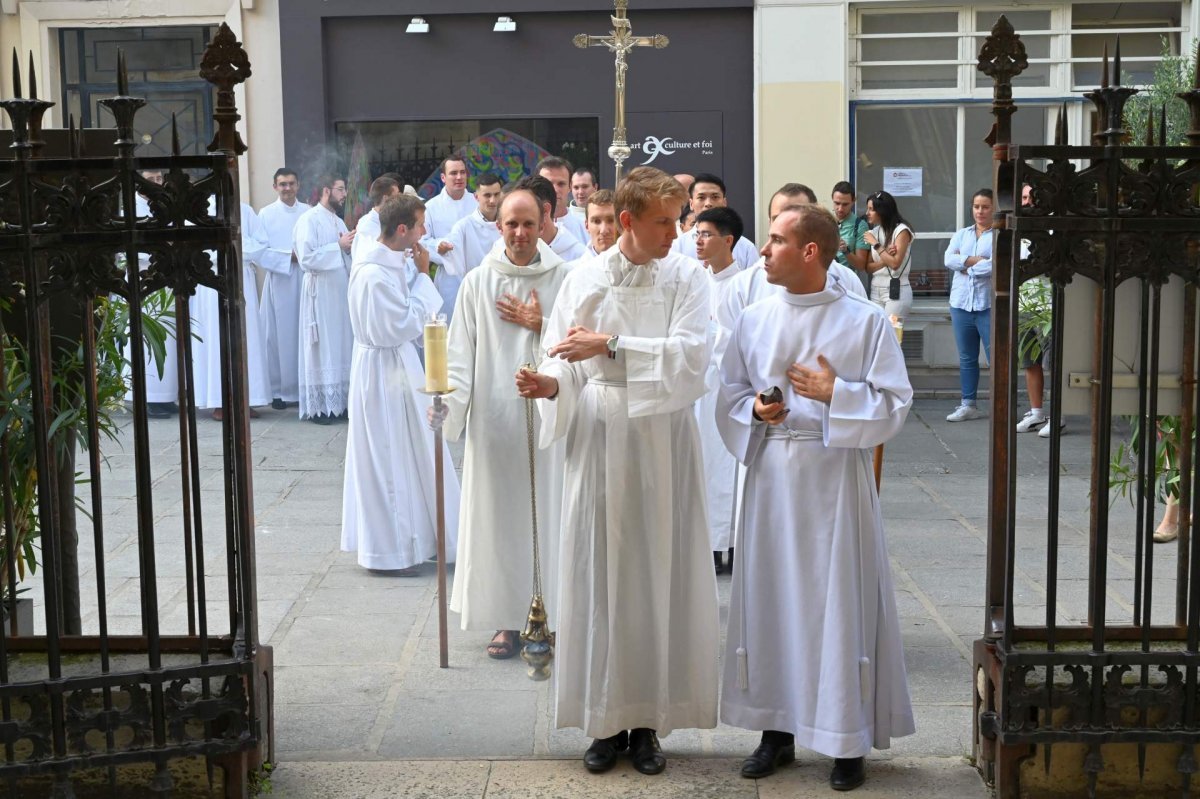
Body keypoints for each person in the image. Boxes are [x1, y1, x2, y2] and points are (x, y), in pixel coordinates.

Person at [515, 166, 718, 777]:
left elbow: (692, 357)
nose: (676, 233)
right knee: (597, 575)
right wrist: (552, 384)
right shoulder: (586, 276)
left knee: (657, 574)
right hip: (600, 435)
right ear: (626, 221)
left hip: (661, 438)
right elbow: (568, 360)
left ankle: (649, 722)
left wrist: (611, 347)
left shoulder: (687, 277)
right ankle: (603, 722)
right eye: (664, 222)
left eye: (678, 219)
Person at [717, 203, 915, 793]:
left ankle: (844, 738)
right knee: (771, 601)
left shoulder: (863, 321)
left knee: (836, 604)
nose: (764, 248)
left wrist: (838, 393)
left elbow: (896, 404)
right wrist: (756, 410)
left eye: (776, 240)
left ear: (810, 252)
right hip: (772, 475)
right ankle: (775, 731)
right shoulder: (753, 319)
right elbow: (727, 393)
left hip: (833, 479)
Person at [433, 186, 571, 659]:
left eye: (528, 223)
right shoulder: (477, 281)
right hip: (495, 422)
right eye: (511, 224)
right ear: (498, 226)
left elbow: (579, 342)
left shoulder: (565, 279)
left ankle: (549, 616)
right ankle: (505, 622)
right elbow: (458, 358)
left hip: (550, 420)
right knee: (499, 522)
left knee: (548, 518)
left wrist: (543, 322)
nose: (519, 232)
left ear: (544, 222)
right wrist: (446, 407)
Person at [342, 195, 460, 573]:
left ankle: (422, 536)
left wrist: (416, 273)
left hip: (395, 363)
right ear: (403, 229)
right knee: (390, 454)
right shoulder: (372, 273)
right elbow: (404, 322)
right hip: (382, 372)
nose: (425, 233)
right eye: (421, 225)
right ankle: (391, 548)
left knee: (413, 450)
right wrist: (425, 277)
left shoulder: (389, 262)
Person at [693, 207, 745, 575]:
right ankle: (710, 546)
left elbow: (742, 337)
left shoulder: (744, 284)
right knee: (705, 465)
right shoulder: (696, 280)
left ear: (728, 240)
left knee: (729, 466)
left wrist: (712, 339)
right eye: (696, 233)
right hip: (700, 387)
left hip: (729, 386)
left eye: (707, 234)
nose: (698, 240)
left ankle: (733, 543)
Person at [190, 202, 273, 420]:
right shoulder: (199, 207)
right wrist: (226, 249)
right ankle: (217, 401)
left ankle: (247, 399)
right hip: (210, 282)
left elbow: (261, 243)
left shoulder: (244, 210)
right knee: (215, 338)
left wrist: (233, 247)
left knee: (246, 339)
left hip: (241, 276)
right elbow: (195, 246)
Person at [294, 174, 355, 424]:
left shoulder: (338, 220)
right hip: (319, 293)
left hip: (340, 293)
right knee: (322, 345)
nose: (344, 194)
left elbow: (345, 256)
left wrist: (349, 248)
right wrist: (338, 246)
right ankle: (321, 408)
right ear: (326, 191)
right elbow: (305, 258)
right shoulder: (309, 219)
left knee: (341, 343)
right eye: (340, 189)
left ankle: (339, 403)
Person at [124, 169, 179, 419]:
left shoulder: (164, 205)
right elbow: (128, 245)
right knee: (145, 334)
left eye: (159, 179)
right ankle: (145, 397)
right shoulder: (130, 206)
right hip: (142, 276)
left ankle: (165, 396)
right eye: (151, 179)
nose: (157, 183)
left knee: (167, 335)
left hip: (164, 276)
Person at [1014, 183, 1064, 439]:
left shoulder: (1052, 227)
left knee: (1052, 363)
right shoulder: (1017, 228)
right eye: (1023, 197)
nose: (1027, 201)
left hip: (1048, 306)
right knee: (1029, 362)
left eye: (1032, 197)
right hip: (1024, 304)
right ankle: (1036, 412)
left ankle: (1059, 415)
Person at [258, 168, 310, 410]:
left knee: (304, 331)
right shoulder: (266, 214)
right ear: (275, 187)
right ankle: (278, 390)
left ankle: (303, 387)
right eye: (282, 184)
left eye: (291, 184)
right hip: (279, 280)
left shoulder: (308, 212)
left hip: (305, 279)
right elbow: (260, 251)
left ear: (298, 185)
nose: (287, 188)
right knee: (276, 336)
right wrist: (287, 258)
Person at [943, 189, 994, 423]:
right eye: (976, 206)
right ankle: (968, 404)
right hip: (961, 304)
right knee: (966, 357)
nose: (980, 211)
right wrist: (976, 262)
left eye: (985, 207)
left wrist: (964, 265)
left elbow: (994, 266)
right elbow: (948, 259)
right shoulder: (962, 234)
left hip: (987, 305)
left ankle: (1002, 404)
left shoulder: (999, 236)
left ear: (993, 208)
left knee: (996, 356)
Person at [439, 172, 504, 320]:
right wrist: (443, 249)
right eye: (487, 195)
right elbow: (451, 250)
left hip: (504, 293)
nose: (493, 200)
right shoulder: (463, 226)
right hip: (476, 294)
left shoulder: (508, 223)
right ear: (476, 197)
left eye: (496, 194)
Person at [671, 173, 759, 269]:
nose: (708, 203)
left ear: (724, 202)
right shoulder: (677, 247)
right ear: (691, 203)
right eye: (701, 197)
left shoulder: (746, 248)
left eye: (715, 197)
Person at [420, 155, 478, 271]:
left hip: (477, 270)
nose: (459, 177)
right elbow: (422, 241)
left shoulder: (478, 203)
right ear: (443, 177)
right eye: (453, 173)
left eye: (462, 172)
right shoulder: (431, 207)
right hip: (448, 275)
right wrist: (439, 245)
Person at [863, 191, 914, 323]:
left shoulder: (901, 231)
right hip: (875, 289)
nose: (867, 213)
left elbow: (895, 263)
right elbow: (868, 267)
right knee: (877, 335)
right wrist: (885, 256)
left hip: (896, 291)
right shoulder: (873, 232)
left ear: (882, 211)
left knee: (892, 335)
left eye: (871, 209)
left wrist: (876, 245)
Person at [517, 175, 586, 262]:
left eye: (524, 209)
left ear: (545, 210)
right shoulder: (505, 250)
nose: (518, 232)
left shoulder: (580, 258)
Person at [538, 156, 591, 248]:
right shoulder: (526, 229)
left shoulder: (586, 230)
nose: (554, 190)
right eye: (548, 184)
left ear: (570, 186)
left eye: (561, 184)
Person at [351, 175, 400, 265]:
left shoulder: (389, 220)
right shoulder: (367, 224)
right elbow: (374, 255)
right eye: (396, 196)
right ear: (386, 198)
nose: (399, 200)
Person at [831, 181, 871, 291]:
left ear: (853, 201)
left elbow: (861, 265)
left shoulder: (860, 225)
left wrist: (846, 251)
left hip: (847, 285)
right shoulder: (824, 222)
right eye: (837, 203)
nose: (840, 208)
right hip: (826, 283)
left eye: (845, 204)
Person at [581, 189, 619, 257]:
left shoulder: (638, 266)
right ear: (587, 226)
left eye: (610, 220)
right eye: (596, 221)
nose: (603, 230)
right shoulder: (575, 267)